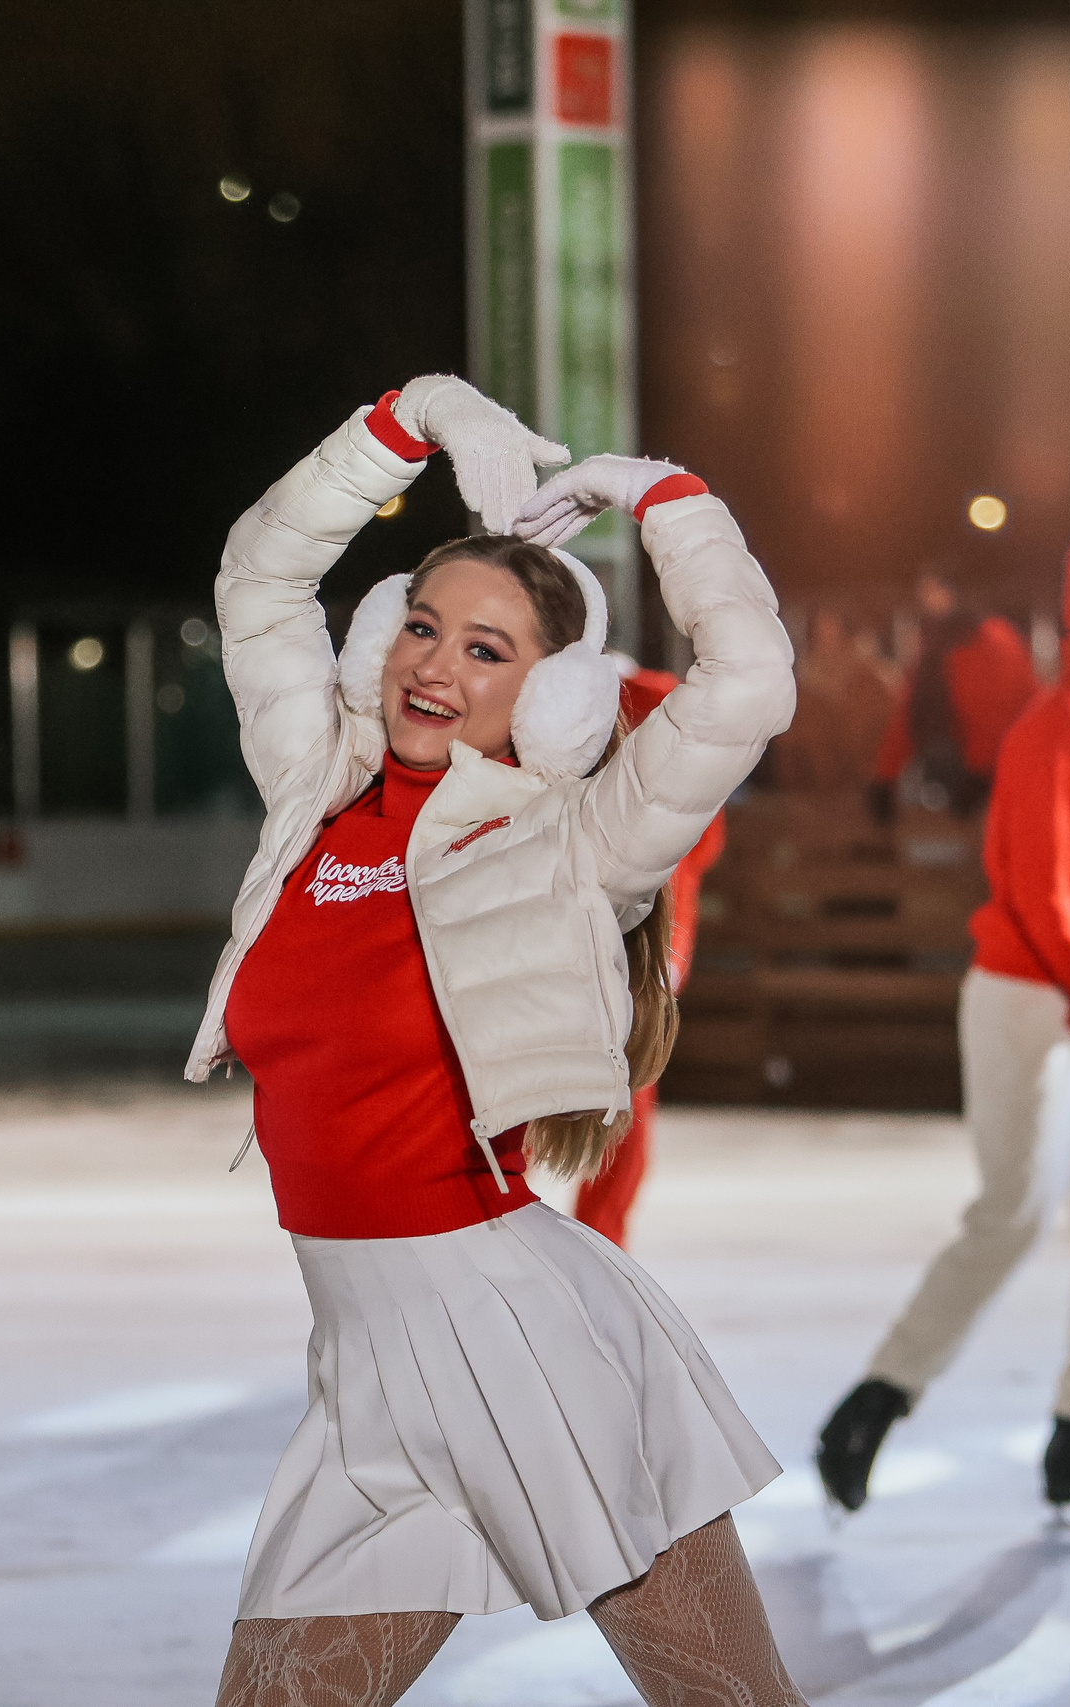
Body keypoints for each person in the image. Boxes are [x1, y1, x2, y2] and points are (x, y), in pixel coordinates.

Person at [190, 374, 802, 1707]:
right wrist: (411, 419)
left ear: (558, 696)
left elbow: (749, 680)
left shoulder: (574, 836)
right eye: (421, 625)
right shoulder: (318, 787)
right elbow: (257, 571)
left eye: (487, 647)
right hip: (365, 1362)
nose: (431, 663)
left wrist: (665, 499)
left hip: (525, 1343)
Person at [816, 527, 1070, 1518]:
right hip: (1028, 1004)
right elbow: (1035, 888)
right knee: (1012, 1216)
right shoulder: (1063, 725)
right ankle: (873, 1401)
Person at [571, 659, 726, 1250]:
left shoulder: (573, 709)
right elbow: (706, 840)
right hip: (649, 938)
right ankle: (600, 1240)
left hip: (587, 919)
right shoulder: (676, 717)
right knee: (628, 1088)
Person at [868, 568, 1039, 820]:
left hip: (993, 775)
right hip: (948, 769)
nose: (926, 599)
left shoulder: (992, 642)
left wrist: (980, 773)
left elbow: (999, 713)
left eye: (935, 590)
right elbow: (911, 712)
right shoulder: (932, 647)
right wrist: (885, 776)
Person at [773, 605, 899, 794]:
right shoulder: (811, 666)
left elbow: (890, 685)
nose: (824, 632)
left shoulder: (861, 660)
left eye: (830, 626)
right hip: (824, 740)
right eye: (820, 627)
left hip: (852, 737)